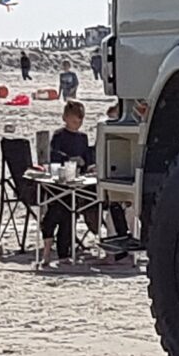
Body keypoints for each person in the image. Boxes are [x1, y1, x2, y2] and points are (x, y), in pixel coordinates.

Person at [41, 101, 133, 265]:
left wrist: (90, 166)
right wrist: (68, 159)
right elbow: (54, 156)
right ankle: (58, 253)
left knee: (76, 212)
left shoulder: (82, 138)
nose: (78, 125)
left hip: (81, 183)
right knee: (62, 211)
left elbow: (88, 158)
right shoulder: (59, 136)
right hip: (62, 183)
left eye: (80, 122)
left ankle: (116, 249)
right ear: (66, 118)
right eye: (75, 121)